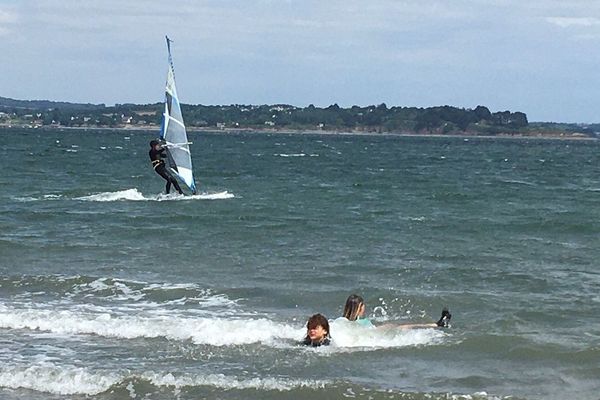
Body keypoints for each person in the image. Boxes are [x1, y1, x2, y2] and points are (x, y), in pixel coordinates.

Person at [343, 294, 451, 329]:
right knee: (403, 326)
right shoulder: (362, 322)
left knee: (399, 326)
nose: (364, 308)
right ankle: (438, 325)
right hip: (376, 334)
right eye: (362, 305)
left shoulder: (344, 322)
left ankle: (437, 324)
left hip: (373, 334)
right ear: (358, 307)